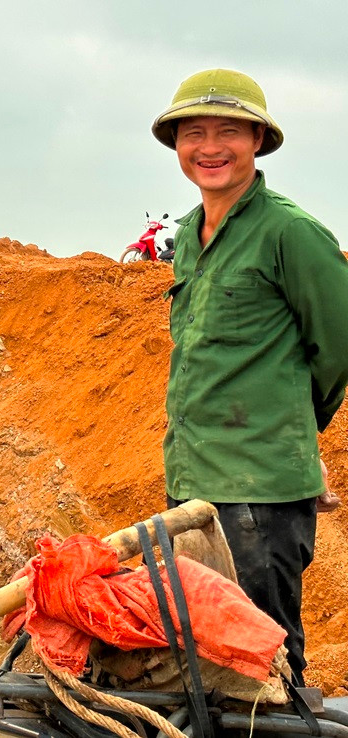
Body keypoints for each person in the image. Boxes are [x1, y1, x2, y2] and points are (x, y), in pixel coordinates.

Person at [152, 68, 348, 687]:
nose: (210, 147)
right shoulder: (188, 234)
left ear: (258, 141)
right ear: (177, 145)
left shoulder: (290, 232)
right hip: (193, 480)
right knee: (207, 662)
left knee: (262, 668)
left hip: (260, 496)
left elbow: (338, 346)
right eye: (195, 133)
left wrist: (288, 426)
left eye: (229, 132)